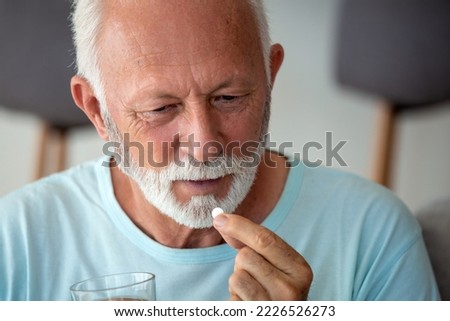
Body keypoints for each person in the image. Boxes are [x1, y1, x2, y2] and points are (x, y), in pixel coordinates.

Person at [0, 0, 440, 301]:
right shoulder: (15, 241)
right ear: (97, 110)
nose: (204, 145)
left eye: (228, 98)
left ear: (270, 77)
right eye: (160, 108)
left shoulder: (374, 234)